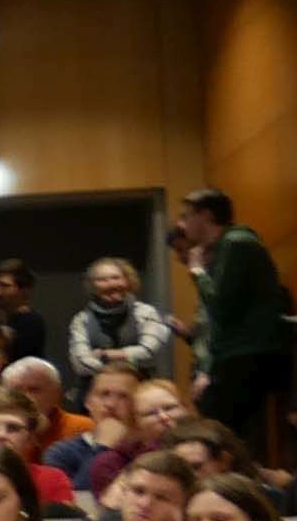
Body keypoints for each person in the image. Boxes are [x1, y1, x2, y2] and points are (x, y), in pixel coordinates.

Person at [175, 187, 287, 451]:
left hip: (247, 353)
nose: (182, 224)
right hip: (238, 352)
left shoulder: (237, 243)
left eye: (186, 216)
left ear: (206, 215)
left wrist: (198, 273)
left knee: (227, 438)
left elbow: (221, 306)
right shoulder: (226, 246)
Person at [68, 257, 176, 405]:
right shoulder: (81, 320)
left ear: (128, 281)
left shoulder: (146, 312)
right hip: (97, 399)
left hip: (140, 395)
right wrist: (128, 363)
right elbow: (80, 364)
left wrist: (108, 355)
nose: (111, 284)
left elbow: (150, 352)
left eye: (116, 278)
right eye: (102, 280)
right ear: (92, 286)